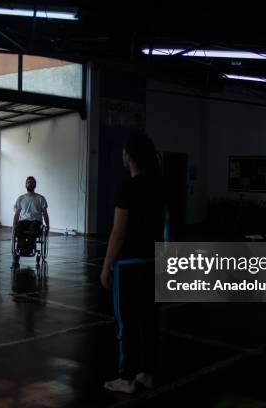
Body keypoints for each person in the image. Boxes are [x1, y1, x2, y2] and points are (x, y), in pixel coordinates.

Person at [101, 134, 165, 394]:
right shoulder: (160, 186)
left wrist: (106, 265)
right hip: (154, 261)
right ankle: (146, 373)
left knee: (126, 323)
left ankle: (126, 378)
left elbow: (119, 231)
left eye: (124, 152)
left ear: (129, 157)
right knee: (149, 322)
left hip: (129, 265)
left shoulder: (126, 187)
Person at [13, 177, 49, 255]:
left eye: (32, 182)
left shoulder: (40, 198)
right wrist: (14, 226)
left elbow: (45, 214)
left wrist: (48, 226)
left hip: (36, 221)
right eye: (28, 182)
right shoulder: (20, 198)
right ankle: (22, 248)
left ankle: (30, 248)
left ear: (35, 185)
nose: (30, 184)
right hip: (24, 221)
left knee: (33, 227)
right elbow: (17, 214)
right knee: (18, 228)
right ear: (25, 185)